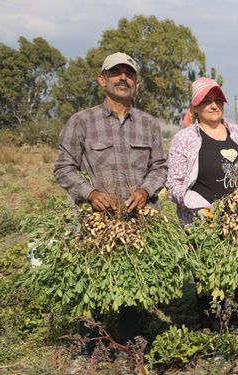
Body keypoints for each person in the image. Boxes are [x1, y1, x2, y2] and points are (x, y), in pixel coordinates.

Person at [53, 52, 167, 349]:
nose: (122, 78)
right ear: (101, 80)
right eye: (115, 72)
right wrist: (89, 193)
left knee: (132, 283)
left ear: (137, 85)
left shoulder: (149, 124)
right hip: (96, 222)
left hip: (137, 221)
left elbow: (160, 167)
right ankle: (87, 348)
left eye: (128, 74)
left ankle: (129, 348)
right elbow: (63, 168)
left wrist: (145, 191)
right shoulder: (81, 122)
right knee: (90, 283)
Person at [165, 77, 238, 326]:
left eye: (217, 100)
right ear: (195, 108)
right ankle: (215, 337)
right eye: (206, 101)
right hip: (205, 225)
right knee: (211, 283)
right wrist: (197, 206)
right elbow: (174, 183)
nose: (213, 105)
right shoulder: (185, 139)